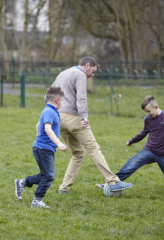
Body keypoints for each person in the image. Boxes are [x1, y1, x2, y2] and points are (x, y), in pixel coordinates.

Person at [51, 56, 132, 194]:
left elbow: (48, 95)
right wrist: (84, 116)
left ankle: (64, 188)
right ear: (87, 65)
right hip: (74, 118)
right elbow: (81, 97)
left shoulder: (63, 73)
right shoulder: (80, 75)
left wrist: (52, 113)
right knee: (93, 148)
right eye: (92, 72)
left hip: (59, 118)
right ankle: (113, 182)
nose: (92, 75)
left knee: (78, 153)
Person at [104, 96, 164, 194]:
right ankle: (113, 182)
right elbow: (143, 133)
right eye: (146, 112)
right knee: (131, 164)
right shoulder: (148, 119)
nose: (148, 114)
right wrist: (131, 141)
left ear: (156, 107)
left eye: (149, 111)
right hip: (149, 151)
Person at [15, 87, 67, 208]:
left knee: (45, 175)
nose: (62, 104)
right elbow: (47, 128)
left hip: (41, 148)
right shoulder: (50, 112)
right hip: (44, 149)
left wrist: (40, 140)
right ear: (57, 100)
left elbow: (38, 125)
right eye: (62, 101)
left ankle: (22, 182)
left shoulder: (48, 110)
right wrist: (58, 143)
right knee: (49, 175)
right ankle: (37, 200)